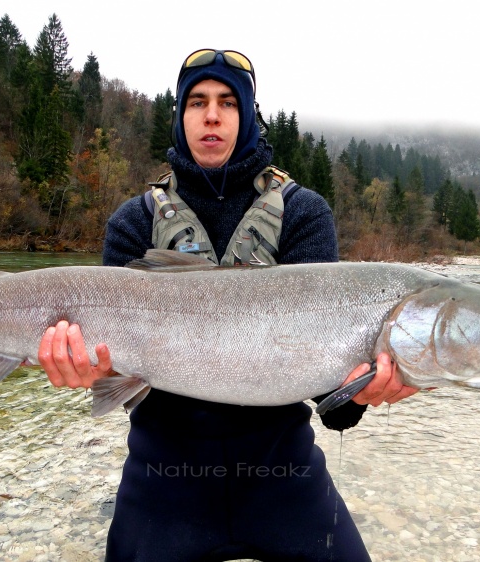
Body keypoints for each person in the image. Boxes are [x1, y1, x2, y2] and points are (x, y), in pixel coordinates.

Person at [39, 49, 418, 561]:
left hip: (281, 472)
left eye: (226, 102)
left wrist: (363, 393)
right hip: (163, 477)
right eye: (196, 102)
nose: (211, 115)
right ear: (180, 117)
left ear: (247, 116)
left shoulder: (304, 212)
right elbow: (115, 380)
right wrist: (86, 370)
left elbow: (333, 406)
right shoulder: (132, 221)